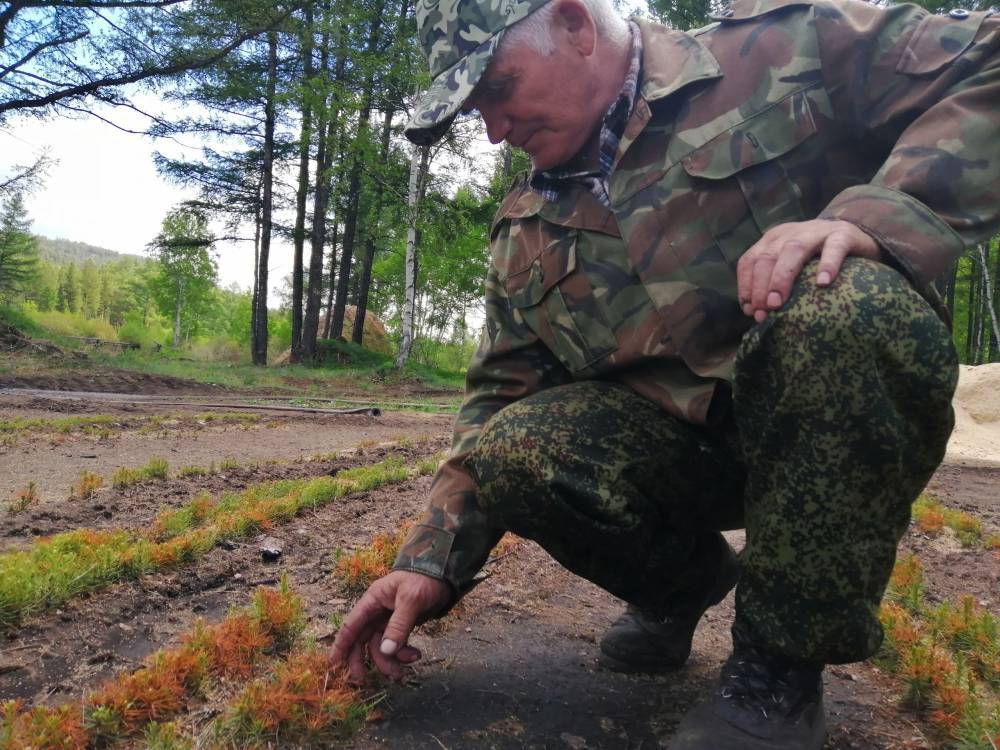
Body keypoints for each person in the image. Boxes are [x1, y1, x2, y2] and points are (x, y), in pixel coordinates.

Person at [331, 0, 998, 745]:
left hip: (830, 424)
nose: (492, 130)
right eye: (473, 111)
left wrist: (880, 215)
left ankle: (777, 669)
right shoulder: (523, 228)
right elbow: (499, 394)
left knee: (845, 301)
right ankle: (679, 590)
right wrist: (429, 561)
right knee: (515, 448)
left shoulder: (794, 45)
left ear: (575, 25)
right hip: (688, 459)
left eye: (497, 87)